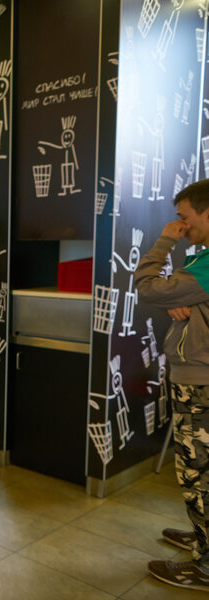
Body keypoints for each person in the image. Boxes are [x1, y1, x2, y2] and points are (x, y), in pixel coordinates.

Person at [135, 179, 209, 592]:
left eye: (184, 218)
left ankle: (207, 563)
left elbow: (146, 287)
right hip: (198, 376)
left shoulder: (206, 264)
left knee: (196, 472)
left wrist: (163, 242)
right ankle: (203, 539)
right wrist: (179, 297)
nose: (179, 225)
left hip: (200, 381)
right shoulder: (202, 265)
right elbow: (173, 295)